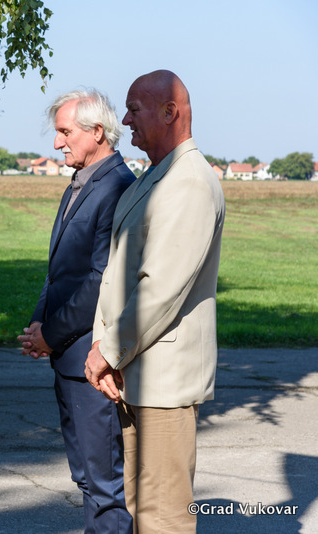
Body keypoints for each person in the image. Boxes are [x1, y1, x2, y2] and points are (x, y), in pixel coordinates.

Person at [84, 70, 225, 533]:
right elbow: (118, 274)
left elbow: (159, 289)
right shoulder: (159, 176)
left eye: (134, 109)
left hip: (164, 383)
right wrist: (106, 347)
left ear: (170, 112)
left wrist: (107, 352)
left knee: (163, 518)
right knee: (142, 509)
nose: (125, 120)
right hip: (138, 374)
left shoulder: (189, 182)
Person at [17, 90, 135, 534]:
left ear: (97, 132)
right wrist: (39, 322)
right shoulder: (81, 182)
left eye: (65, 132)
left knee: (104, 487)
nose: (57, 143)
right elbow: (59, 272)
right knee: (86, 477)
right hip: (68, 356)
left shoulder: (116, 187)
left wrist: (50, 334)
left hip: (92, 361)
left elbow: (100, 281)